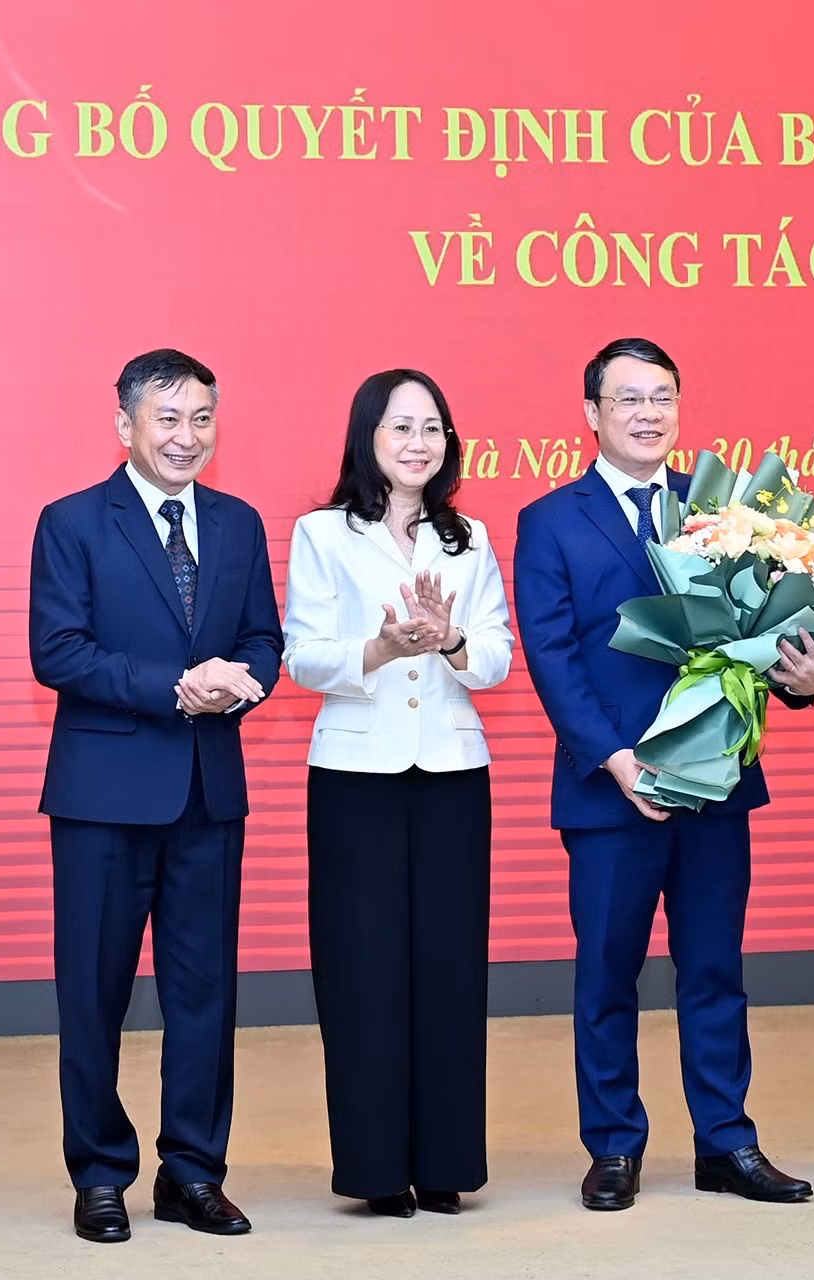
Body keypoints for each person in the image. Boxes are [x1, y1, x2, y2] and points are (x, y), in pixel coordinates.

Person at [513, 337, 814, 1212]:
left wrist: (802, 678)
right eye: (628, 399)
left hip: (717, 783)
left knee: (715, 971)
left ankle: (727, 1142)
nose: (647, 414)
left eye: (662, 397)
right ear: (592, 413)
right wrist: (620, 763)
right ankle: (614, 1145)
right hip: (610, 789)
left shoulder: (725, 511)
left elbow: (764, 633)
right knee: (606, 976)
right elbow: (551, 656)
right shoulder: (552, 519)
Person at [30, 348, 282, 1243]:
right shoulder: (72, 521)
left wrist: (241, 683)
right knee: (93, 994)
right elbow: (57, 651)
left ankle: (193, 1172)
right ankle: (99, 1173)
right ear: (125, 424)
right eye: (168, 418)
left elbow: (263, 640)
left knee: (204, 995)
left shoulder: (239, 522)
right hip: (103, 798)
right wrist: (175, 687)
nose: (187, 436)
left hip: (208, 795)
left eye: (202, 418)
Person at [281, 369, 514, 1218]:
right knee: (363, 969)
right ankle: (376, 1169)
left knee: (450, 969)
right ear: (367, 437)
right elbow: (302, 657)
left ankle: (445, 1163)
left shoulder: (469, 538)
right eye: (400, 427)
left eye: (432, 428)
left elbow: (497, 657)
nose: (418, 443)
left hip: (451, 773)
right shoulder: (323, 533)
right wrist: (380, 647)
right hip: (355, 778)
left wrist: (450, 640)